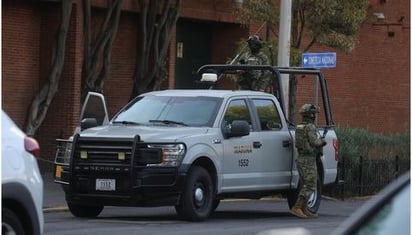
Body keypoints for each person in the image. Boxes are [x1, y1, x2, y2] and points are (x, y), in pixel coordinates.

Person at [291, 104, 327, 219]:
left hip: (301, 158)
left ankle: (304, 208)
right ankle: (297, 207)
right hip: (309, 159)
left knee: (304, 184)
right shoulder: (310, 127)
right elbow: (314, 142)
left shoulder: (300, 126)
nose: (314, 115)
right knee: (311, 184)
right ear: (310, 114)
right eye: (314, 113)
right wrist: (322, 141)